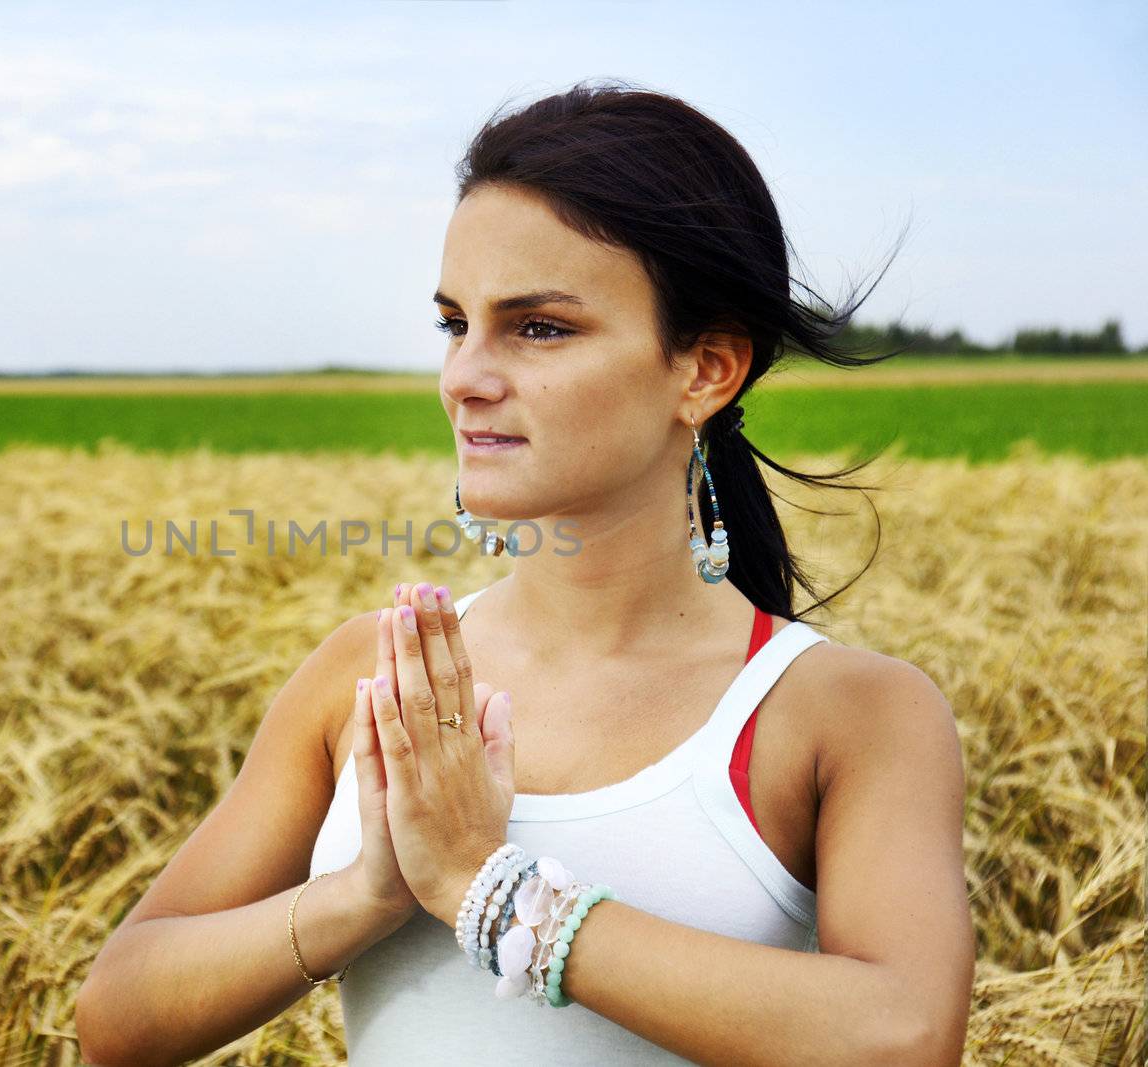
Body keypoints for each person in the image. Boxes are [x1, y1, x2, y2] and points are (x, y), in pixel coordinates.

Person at [74, 80, 974, 1066]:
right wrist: (368, 891)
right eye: (453, 322)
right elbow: (117, 1014)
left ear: (704, 370)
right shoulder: (375, 677)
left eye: (537, 326)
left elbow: (902, 1035)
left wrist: (486, 886)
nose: (465, 375)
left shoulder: (842, 712)